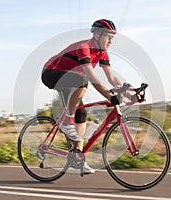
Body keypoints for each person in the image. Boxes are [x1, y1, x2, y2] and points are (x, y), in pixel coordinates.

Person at [41, 19, 123, 174]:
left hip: (71, 79)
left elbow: (112, 78)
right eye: (108, 37)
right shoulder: (84, 47)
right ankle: (67, 121)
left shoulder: (102, 53)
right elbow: (91, 77)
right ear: (97, 35)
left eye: (113, 38)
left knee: (82, 113)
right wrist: (109, 96)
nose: (111, 41)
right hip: (51, 73)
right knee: (83, 80)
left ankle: (78, 159)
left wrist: (128, 89)